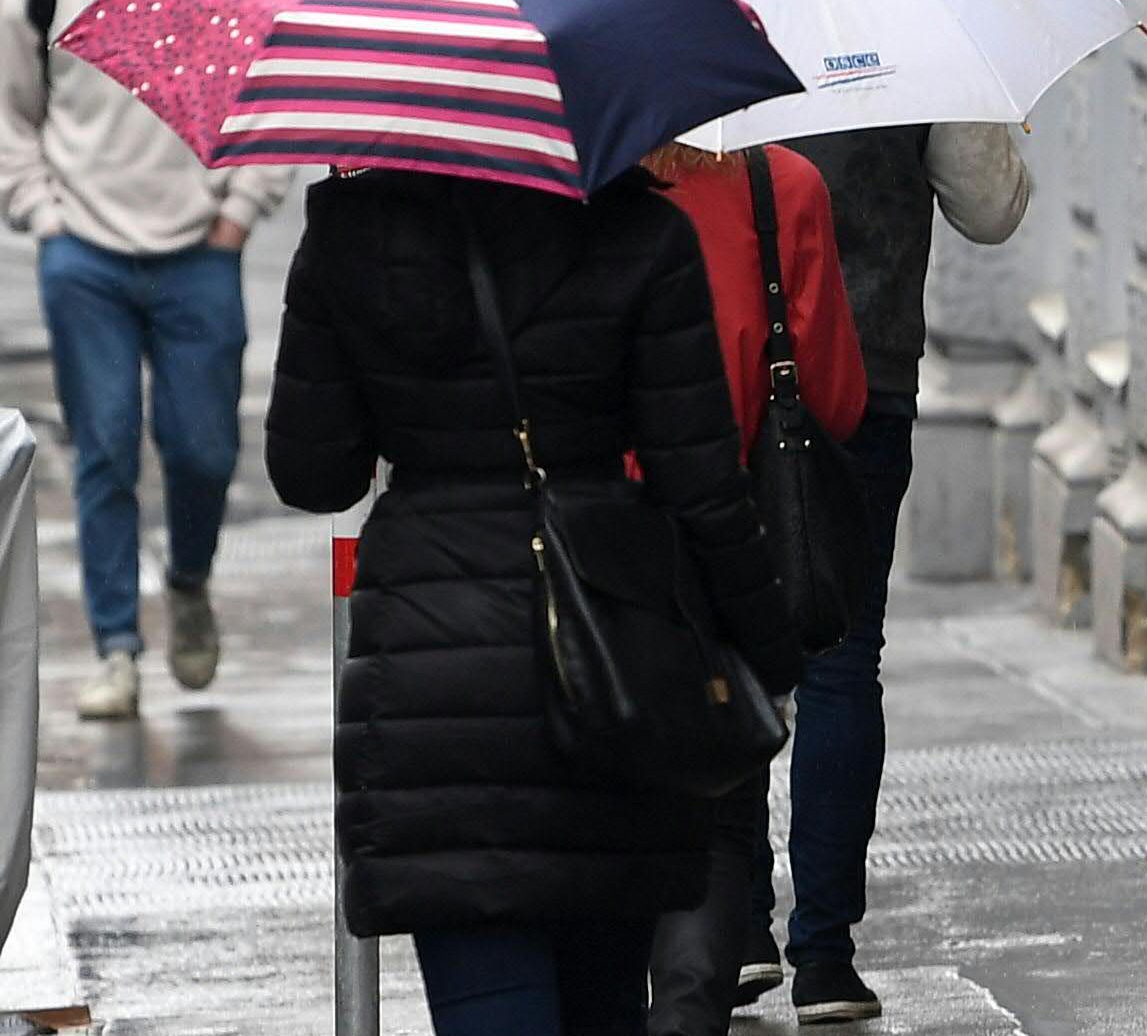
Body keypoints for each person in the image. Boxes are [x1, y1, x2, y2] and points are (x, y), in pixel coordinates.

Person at [265, 163, 804, 1036]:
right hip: (609, 661)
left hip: (434, 673)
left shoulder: (347, 232)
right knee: (604, 1002)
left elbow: (312, 470)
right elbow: (701, 487)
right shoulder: (643, 234)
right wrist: (767, 652)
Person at [0, 0, 291, 720]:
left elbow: (265, 104)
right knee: (104, 450)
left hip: (198, 250)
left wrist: (238, 213)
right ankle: (116, 647)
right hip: (82, 253)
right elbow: (11, 115)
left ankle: (191, 581)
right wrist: (43, 215)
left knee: (204, 448)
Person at [742, 121, 1031, 1024]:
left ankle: (739, 925)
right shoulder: (914, 19)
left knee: (726, 651)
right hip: (865, 377)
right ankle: (825, 955)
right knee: (842, 657)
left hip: (725, 374)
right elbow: (991, 208)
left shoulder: (704, 5)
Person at [641, 140, 867, 1036]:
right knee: (721, 806)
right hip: (732, 545)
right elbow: (837, 397)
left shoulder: (572, 179)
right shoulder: (784, 187)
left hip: (591, 547)